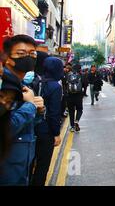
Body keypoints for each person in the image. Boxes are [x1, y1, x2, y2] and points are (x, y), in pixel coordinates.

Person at [0, 35, 45, 186]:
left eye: (32, 54)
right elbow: (6, 127)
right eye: (21, 53)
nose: (28, 58)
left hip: (22, 165)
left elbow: (29, 124)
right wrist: (31, 106)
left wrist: (39, 111)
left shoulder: (24, 86)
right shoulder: (4, 87)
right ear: (7, 58)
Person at [31, 57, 64, 186]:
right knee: (42, 166)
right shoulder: (55, 86)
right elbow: (54, 113)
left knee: (29, 164)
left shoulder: (35, 81)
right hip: (46, 131)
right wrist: (56, 133)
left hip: (31, 128)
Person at [67, 64, 84, 132]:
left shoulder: (68, 75)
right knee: (79, 109)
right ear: (79, 69)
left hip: (70, 96)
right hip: (78, 96)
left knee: (71, 111)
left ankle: (72, 126)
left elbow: (65, 84)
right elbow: (85, 83)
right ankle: (76, 121)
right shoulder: (81, 75)